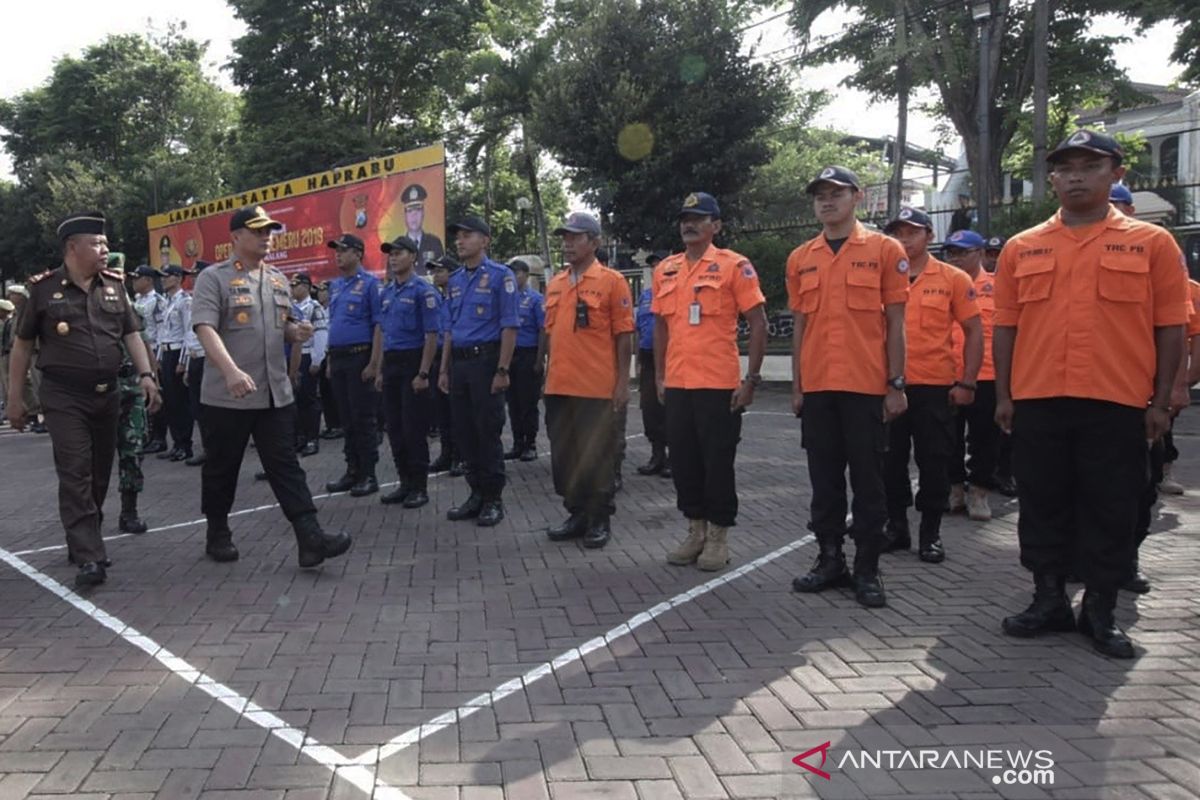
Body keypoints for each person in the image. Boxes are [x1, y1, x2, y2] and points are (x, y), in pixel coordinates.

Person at [994, 130, 1188, 658]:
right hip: (1039, 398)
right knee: (1041, 501)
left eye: (1090, 165)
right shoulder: (1022, 246)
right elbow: (1006, 326)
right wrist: (1005, 395)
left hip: (1117, 399)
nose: (1076, 175)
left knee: (1111, 505)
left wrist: (1161, 400)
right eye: (1065, 167)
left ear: (1117, 174)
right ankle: (1048, 599)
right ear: (1052, 178)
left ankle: (1099, 608)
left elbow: (1171, 325)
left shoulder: (1153, 244)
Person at [6, 211, 161, 587]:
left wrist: (147, 376)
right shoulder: (41, 290)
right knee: (75, 471)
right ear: (72, 248)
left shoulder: (114, 285)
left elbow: (132, 335)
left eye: (106, 243)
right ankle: (91, 555)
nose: (105, 249)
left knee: (97, 473)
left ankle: (82, 538)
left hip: (107, 395)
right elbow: (22, 346)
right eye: (97, 243)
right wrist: (15, 399)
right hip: (63, 395)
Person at [191, 206, 352, 567]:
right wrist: (231, 371)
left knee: (286, 465)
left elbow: (284, 327)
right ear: (235, 237)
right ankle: (217, 532)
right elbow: (205, 328)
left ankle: (310, 538)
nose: (266, 236)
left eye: (269, 231)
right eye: (258, 230)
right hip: (227, 395)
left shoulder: (278, 279)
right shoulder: (213, 279)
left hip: (273, 393)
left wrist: (297, 332)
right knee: (222, 467)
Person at [788, 166, 909, 608]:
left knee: (869, 482)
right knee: (824, 481)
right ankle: (830, 558)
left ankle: (867, 568)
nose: (827, 201)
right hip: (819, 388)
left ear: (857, 197)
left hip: (866, 387)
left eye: (836, 193)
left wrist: (896, 383)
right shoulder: (802, 256)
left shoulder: (883, 249)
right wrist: (798, 386)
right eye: (820, 194)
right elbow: (801, 326)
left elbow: (896, 322)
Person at [653, 193, 767, 572]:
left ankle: (718, 537)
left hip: (718, 384)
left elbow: (758, 324)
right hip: (679, 383)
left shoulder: (734, 266)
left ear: (715, 225)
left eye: (699, 218)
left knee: (718, 462)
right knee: (684, 462)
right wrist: (659, 376)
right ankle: (695, 531)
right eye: (685, 218)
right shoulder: (666, 269)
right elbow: (661, 326)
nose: (690, 224)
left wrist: (750, 378)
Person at [880, 210, 982, 563]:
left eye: (912, 232)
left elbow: (973, 331)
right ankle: (896, 527)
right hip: (888, 386)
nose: (905, 240)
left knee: (934, 462)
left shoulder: (952, 278)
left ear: (928, 235)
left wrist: (967, 381)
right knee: (888, 463)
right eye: (898, 233)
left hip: (935, 388)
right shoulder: (878, 278)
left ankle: (931, 533)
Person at [543, 212, 635, 548]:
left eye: (575, 237)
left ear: (594, 242)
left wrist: (623, 383)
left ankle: (599, 518)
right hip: (558, 386)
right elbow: (550, 335)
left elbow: (624, 336)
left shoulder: (612, 281)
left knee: (597, 456)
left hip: (596, 388)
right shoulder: (555, 283)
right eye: (564, 237)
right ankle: (576, 512)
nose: (567, 243)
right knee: (564, 457)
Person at [437, 216, 519, 527]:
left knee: (487, 431)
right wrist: (444, 369)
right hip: (459, 365)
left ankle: (493, 499)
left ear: (484, 240)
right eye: (457, 235)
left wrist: (502, 369)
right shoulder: (455, 280)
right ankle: (475, 494)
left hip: (486, 363)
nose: (459, 240)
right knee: (464, 432)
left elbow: (509, 326)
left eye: (467, 235)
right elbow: (450, 329)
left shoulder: (501, 276)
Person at [376, 235, 440, 508]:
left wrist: (423, 373)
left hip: (413, 362)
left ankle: (419, 487)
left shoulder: (423, 291)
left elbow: (431, 335)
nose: (393, 257)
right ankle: (404, 483)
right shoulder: (387, 292)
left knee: (414, 428)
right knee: (395, 427)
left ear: (413, 257)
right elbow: (383, 332)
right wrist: (379, 368)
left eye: (399, 252)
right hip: (391, 363)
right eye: (390, 253)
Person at [944, 229, 999, 520]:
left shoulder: (997, 287)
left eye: (963, 252)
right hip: (947, 372)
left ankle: (979, 491)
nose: (956, 259)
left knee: (984, 438)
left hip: (987, 375)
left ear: (979, 253)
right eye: (951, 253)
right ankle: (954, 487)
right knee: (947, 437)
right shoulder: (940, 286)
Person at [324, 233, 383, 497]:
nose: (338, 254)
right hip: (338, 358)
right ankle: (352, 470)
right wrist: (329, 358)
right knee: (346, 419)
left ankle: (368, 474)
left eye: (343, 250)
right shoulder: (335, 286)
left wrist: (374, 363)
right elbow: (333, 323)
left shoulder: (371, 284)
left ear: (358, 254)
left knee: (363, 419)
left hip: (360, 357)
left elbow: (379, 326)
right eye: (336, 250)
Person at [107, 252, 156, 531]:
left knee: (133, 450)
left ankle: (129, 512)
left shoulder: (131, 310)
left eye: (120, 274)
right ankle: (90, 520)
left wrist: (153, 382)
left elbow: (144, 345)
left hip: (132, 388)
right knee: (94, 459)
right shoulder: (93, 305)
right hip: (101, 390)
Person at [636, 252, 671, 478]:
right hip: (648, 357)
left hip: (671, 358)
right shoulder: (646, 296)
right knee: (649, 409)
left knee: (670, 409)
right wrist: (638, 360)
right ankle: (657, 455)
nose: (656, 270)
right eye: (653, 268)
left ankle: (674, 458)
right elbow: (639, 327)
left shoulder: (676, 291)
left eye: (660, 266)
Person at [505, 259, 544, 462]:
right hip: (510, 356)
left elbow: (543, 330)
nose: (513, 276)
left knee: (528, 402)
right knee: (513, 402)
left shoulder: (536, 299)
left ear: (526, 275)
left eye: (517, 272)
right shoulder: (507, 298)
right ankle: (517, 443)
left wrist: (539, 360)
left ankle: (531, 443)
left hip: (528, 355)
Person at [157, 265, 194, 461]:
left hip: (178, 353)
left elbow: (189, 332)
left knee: (180, 403)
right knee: (170, 402)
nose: (163, 280)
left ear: (178, 278)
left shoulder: (185, 301)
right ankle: (176, 442)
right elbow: (162, 333)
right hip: (166, 353)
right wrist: (158, 359)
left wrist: (184, 361)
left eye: (167, 276)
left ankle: (185, 444)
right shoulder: (166, 302)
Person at [289, 272, 327, 457]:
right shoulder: (291, 308)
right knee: (295, 401)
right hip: (293, 357)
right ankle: (300, 438)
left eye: (296, 285)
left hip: (307, 356)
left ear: (305, 286)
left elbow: (321, 334)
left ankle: (312, 438)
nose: (293, 289)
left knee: (308, 400)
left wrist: (317, 359)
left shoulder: (314, 307)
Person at [427, 256, 460, 474]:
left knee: (457, 410)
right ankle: (447, 454)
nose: (436, 275)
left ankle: (461, 456)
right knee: (441, 411)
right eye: (434, 271)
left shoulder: (458, 297)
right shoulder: (439, 297)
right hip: (438, 355)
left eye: (440, 271)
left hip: (456, 356)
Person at [132, 266, 168, 453]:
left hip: (154, 350)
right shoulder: (138, 300)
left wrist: (159, 357)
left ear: (147, 280)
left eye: (137, 279)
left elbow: (162, 330)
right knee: (144, 394)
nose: (134, 282)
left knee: (156, 392)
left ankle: (160, 438)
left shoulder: (157, 301)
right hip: (140, 351)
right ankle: (149, 435)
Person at [180, 261, 212, 467]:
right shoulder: (192, 300)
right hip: (194, 358)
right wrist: (186, 360)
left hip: (207, 358)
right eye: (192, 275)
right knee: (197, 407)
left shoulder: (211, 298)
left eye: (197, 274)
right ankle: (207, 448)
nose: (193, 278)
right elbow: (188, 334)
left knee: (209, 406)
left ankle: (214, 448)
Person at [5, 284, 47, 433]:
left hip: (37, 351)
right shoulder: (19, 313)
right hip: (27, 353)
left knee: (41, 385)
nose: (10, 297)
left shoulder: (32, 309)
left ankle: (45, 419)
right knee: (35, 386)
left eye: (13, 294)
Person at [400, 183, 445, 275]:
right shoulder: (398, 247)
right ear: (404, 215)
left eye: (418, 210)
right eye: (409, 211)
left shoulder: (434, 242)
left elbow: (441, 273)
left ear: (423, 212)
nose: (414, 215)